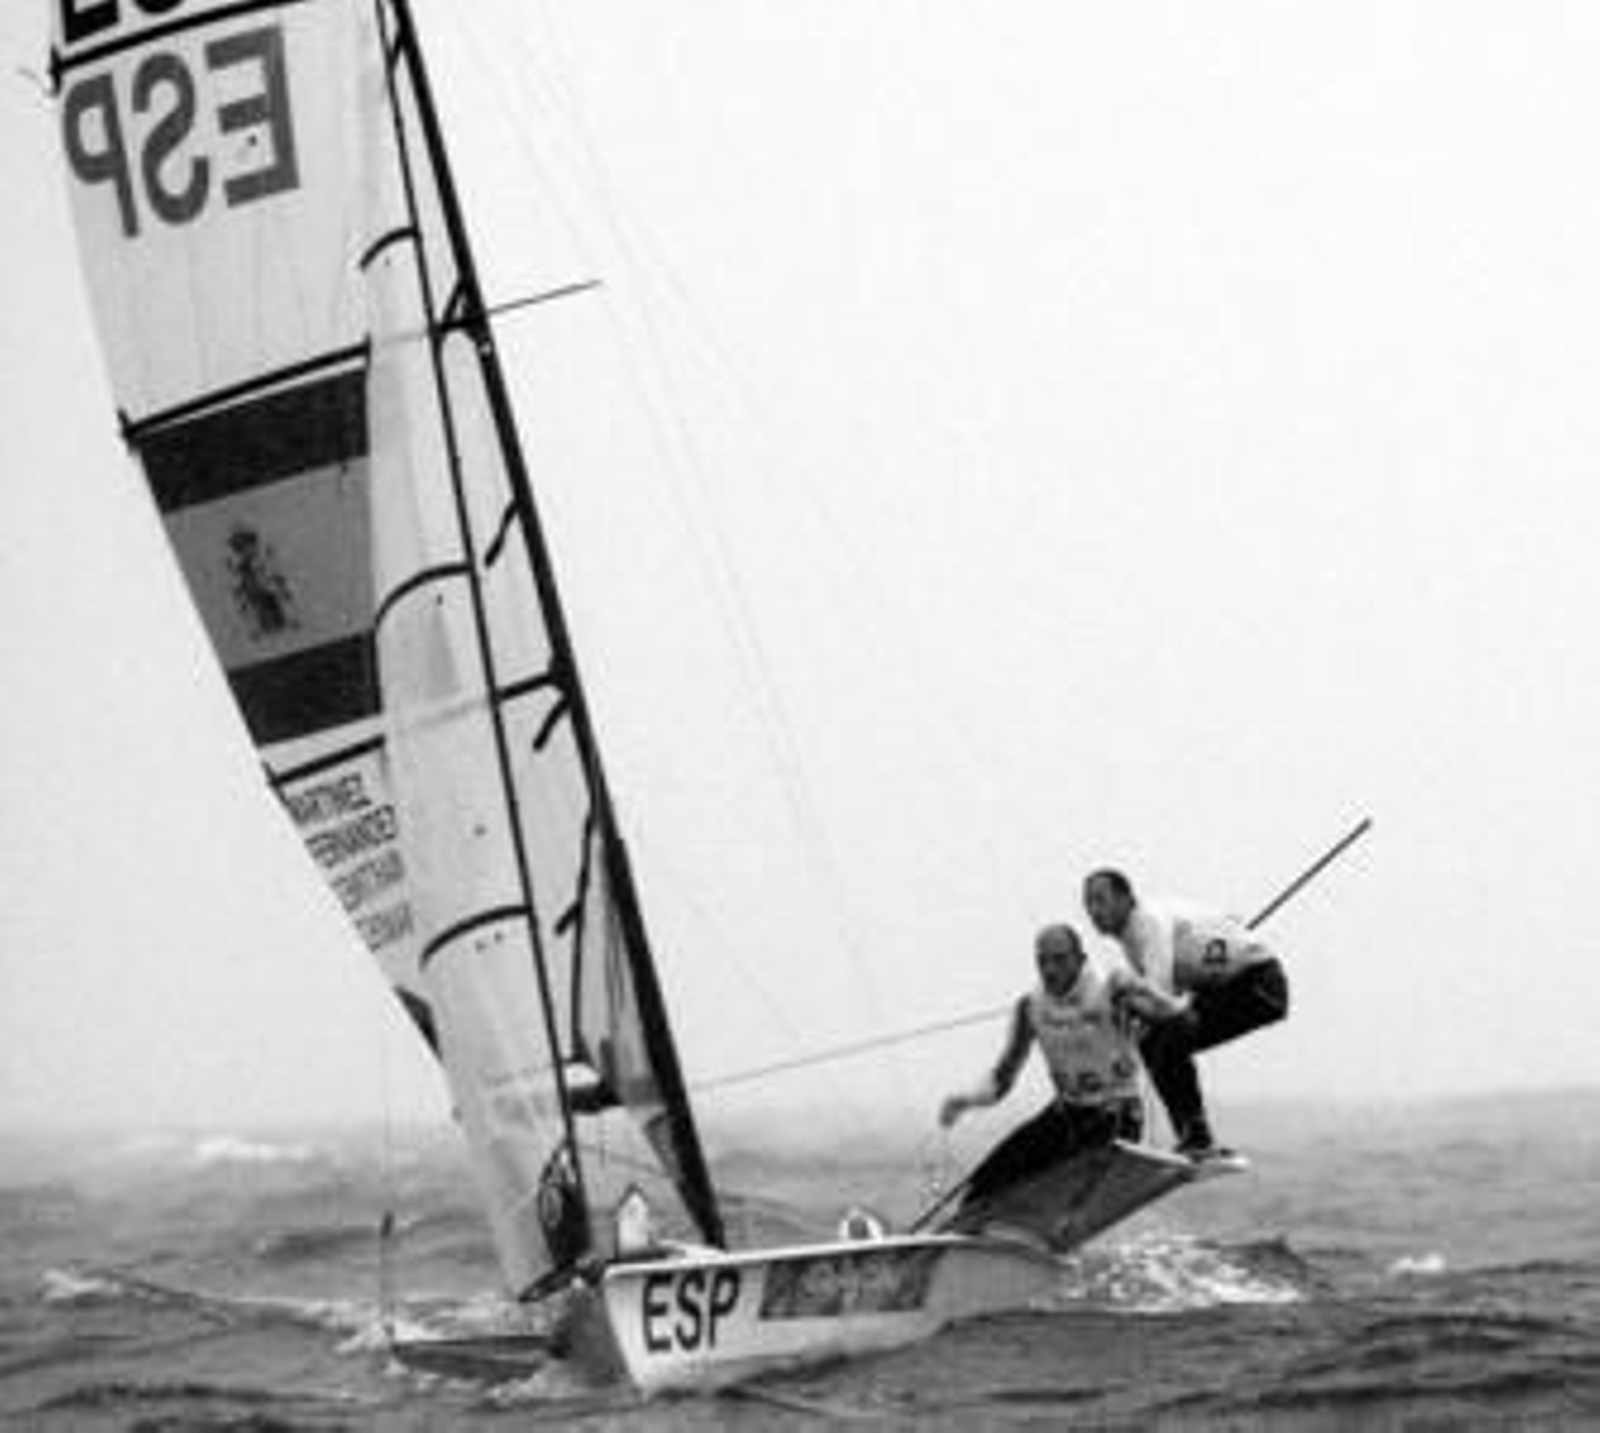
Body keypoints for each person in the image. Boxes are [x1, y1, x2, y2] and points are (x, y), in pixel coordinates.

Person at [938, 922, 1185, 1213]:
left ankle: (1045, 1222)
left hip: (1116, 1116)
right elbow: (1002, 1078)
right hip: (1068, 1113)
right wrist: (967, 1100)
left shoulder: (1112, 989)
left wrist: (1164, 998)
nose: (1050, 969)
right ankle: (965, 1237)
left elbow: (1166, 1014)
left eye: (1059, 959)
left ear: (1080, 959)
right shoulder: (1031, 1007)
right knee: (986, 1180)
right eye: (1042, 961)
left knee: (1062, 1181)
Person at [1082, 867, 1289, 1159]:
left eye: (1100, 900)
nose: (1093, 910)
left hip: (1259, 986)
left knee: (1169, 1036)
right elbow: (1166, 998)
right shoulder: (1134, 936)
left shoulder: (1146, 924)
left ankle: (1197, 1139)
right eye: (1088, 903)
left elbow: (1162, 1006)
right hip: (1232, 984)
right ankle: (1195, 1137)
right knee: (1155, 1038)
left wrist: (1128, 997)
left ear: (1127, 899)